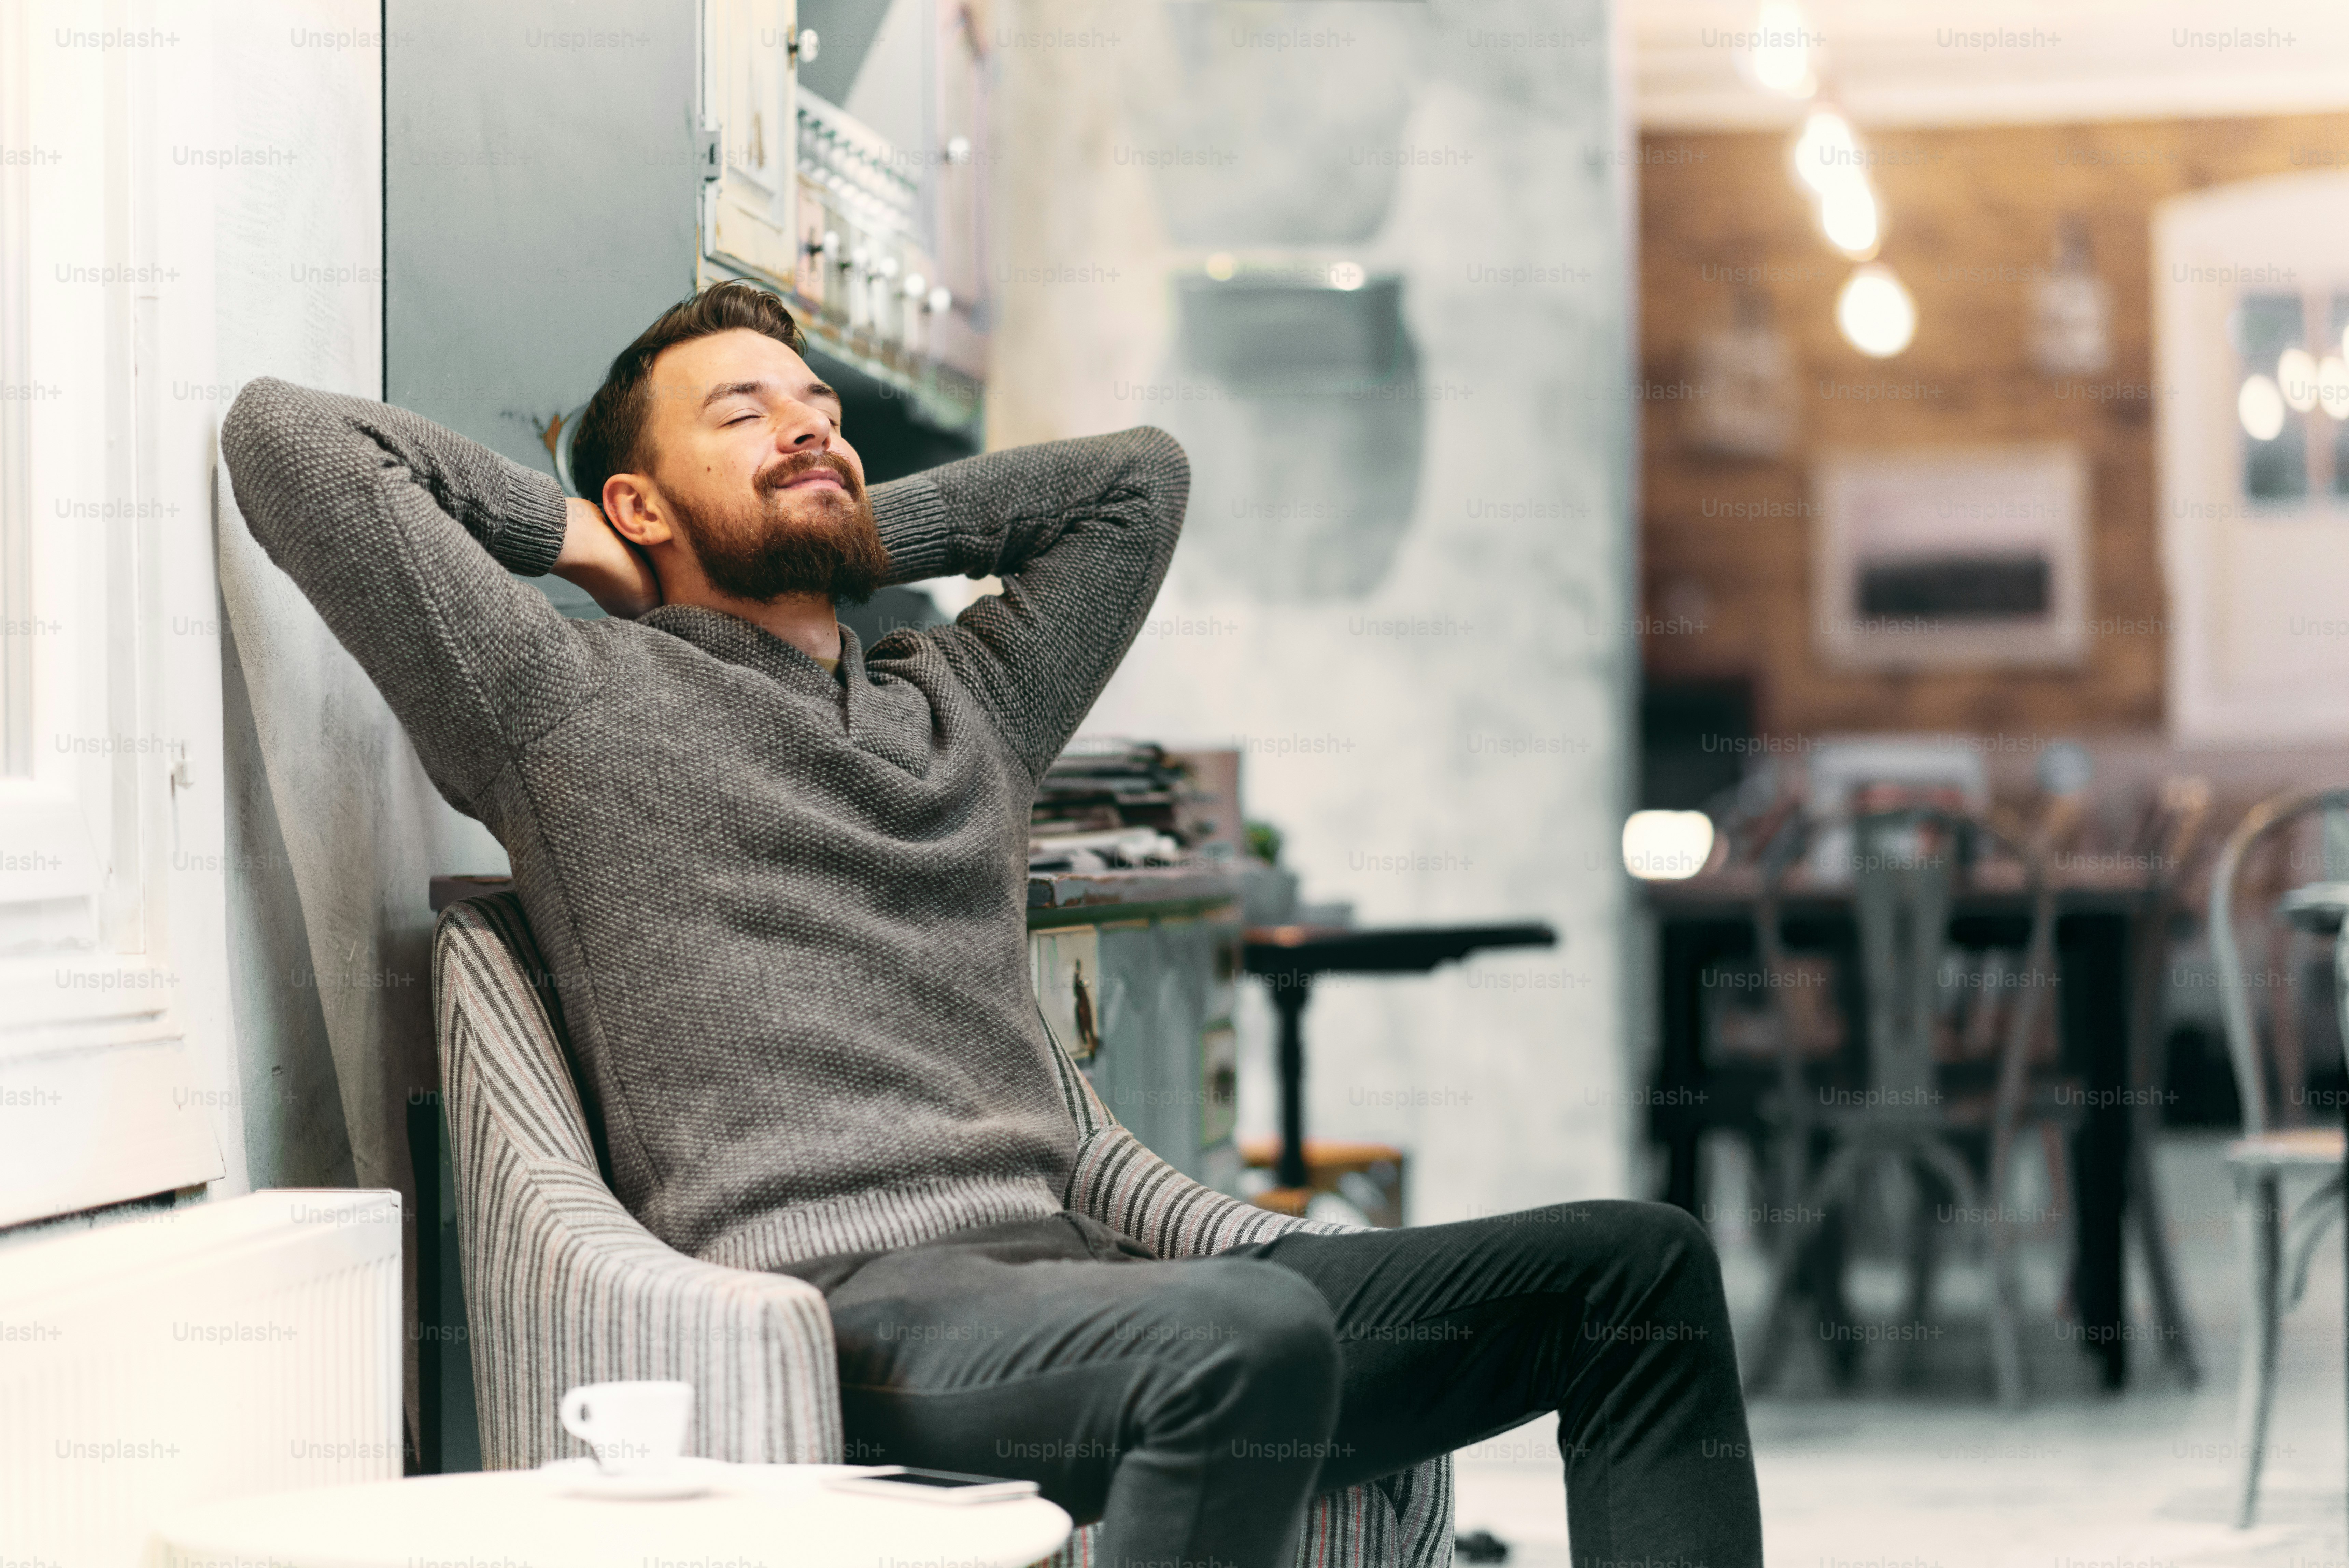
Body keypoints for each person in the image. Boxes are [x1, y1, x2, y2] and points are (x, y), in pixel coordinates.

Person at [223, 280, 1761, 1568]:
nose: (807, 424)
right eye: (743, 414)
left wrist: (836, 516)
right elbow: (289, 443)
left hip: (1092, 1277)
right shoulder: (563, 700)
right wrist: (574, 537)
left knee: (1636, 1275)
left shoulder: (962, 706)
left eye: (819, 405)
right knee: (1242, 1341)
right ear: (638, 497)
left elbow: (1135, 483)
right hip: (861, 1307)